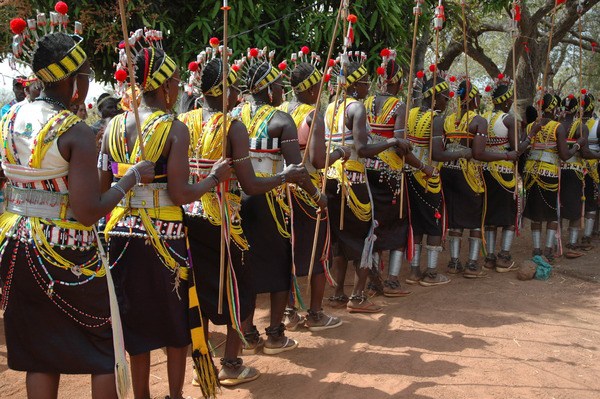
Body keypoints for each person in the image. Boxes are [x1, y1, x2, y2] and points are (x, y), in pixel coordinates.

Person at [0, 25, 153, 399]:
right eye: (85, 75)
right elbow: (88, 212)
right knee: (103, 349)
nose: (86, 85)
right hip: (68, 252)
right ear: (72, 80)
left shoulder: (10, 118)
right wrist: (130, 178)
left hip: (16, 243)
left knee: (41, 355)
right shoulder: (75, 131)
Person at [100, 40, 230, 399]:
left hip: (120, 235)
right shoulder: (174, 129)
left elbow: (104, 183)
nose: (176, 87)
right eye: (173, 80)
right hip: (164, 237)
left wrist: (125, 175)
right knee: (175, 325)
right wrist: (214, 178)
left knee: (136, 323)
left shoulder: (112, 126)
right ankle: (175, 396)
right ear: (166, 86)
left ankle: (141, 395)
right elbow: (181, 194)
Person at [180, 49, 308, 385]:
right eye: (233, 89)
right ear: (222, 90)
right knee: (240, 287)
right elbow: (250, 184)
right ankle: (232, 364)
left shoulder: (185, 121)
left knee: (200, 289)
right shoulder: (231, 126)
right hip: (224, 217)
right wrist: (285, 177)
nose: (238, 95)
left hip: (188, 214)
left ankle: (202, 367)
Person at [233, 48, 325, 355]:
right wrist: (317, 196)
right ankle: (274, 335)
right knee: (279, 267)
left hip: (236, 201)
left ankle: (246, 332)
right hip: (269, 202)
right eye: (277, 87)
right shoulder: (280, 120)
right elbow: (296, 171)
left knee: (244, 267)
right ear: (270, 89)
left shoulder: (232, 116)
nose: (280, 92)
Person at [324, 55, 411, 313]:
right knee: (365, 238)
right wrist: (392, 142)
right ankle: (358, 297)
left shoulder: (330, 106)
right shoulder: (356, 107)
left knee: (339, 238)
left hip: (331, 178)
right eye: (364, 82)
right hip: (353, 179)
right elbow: (362, 149)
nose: (367, 87)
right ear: (354, 85)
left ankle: (339, 293)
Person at [278, 48, 348, 330]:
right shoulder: (312, 116)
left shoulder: (281, 110)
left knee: (289, 251)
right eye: (319, 85)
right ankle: (316, 314)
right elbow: (319, 160)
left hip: (281, 193)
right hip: (308, 192)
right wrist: (341, 151)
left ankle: (288, 313)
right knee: (318, 252)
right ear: (310, 90)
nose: (323, 89)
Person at [364, 50, 431, 296]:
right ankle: (391, 280)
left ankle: (372, 279)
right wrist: (423, 166)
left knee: (372, 224)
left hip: (367, 168)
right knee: (398, 225)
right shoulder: (399, 105)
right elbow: (401, 145)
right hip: (391, 173)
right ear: (399, 82)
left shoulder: (367, 102)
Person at [442, 79, 517, 278]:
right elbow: (478, 154)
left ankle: (454, 262)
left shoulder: (448, 119)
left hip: (448, 171)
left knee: (455, 220)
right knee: (476, 218)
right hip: (470, 174)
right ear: (473, 98)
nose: (479, 100)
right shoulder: (478, 120)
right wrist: (506, 156)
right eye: (477, 97)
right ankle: (473, 264)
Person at [404, 73, 451, 287]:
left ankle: (414, 271)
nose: (447, 101)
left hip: (409, 174)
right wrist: (462, 154)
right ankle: (431, 273)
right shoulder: (436, 119)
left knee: (416, 224)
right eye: (445, 97)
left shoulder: (409, 114)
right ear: (434, 97)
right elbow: (438, 154)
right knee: (433, 223)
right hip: (428, 177)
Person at [523, 93, 580, 263]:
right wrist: (577, 145)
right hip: (549, 174)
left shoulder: (530, 127)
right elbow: (564, 155)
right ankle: (548, 250)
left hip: (531, 173)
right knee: (551, 213)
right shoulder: (558, 127)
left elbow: (524, 149)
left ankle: (536, 249)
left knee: (535, 213)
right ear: (554, 108)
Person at [481, 77, 523, 272]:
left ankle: (489, 256)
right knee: (507, 215)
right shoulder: (509, 120)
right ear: (507, 101)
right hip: (504, 173)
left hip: (486, 171)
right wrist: (531, 137)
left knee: (489, 214)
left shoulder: (484, 116)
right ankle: (503, 257)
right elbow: (517, 150)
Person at [559, 95, 590, 258]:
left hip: (557, 170)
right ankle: (571, 244)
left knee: (560, 204)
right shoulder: (581, 126)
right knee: (575, 207)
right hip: (574, 171)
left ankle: (554, 243)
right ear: (579, 108)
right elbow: (584, 153)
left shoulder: (558, 124)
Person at [582, 93, 599, 243]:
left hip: (580, 167)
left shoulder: (571, 123)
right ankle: (588, 234)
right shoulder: (597, 123)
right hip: (592, 168)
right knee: (593, 198)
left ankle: (592, 231)